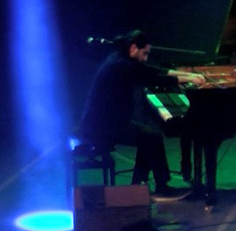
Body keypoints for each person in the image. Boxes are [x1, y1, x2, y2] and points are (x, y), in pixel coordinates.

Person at [78, 30, 205, 200]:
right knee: (151, 137)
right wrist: (188, 78)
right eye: (145, 53)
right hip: (102, 128)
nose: (146, 58)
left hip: (108, 123)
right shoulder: (122, 66)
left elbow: (152, 70)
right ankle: (159, 187)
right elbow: (155, 78)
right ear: (133, 48)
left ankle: (138, 186)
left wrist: (188, 75)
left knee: (149, 136)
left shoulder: (120, 59)